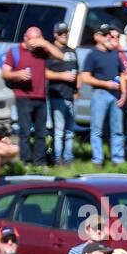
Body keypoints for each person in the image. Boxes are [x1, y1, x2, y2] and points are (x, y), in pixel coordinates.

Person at [0, 27, 62, 168]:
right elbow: (5, 73)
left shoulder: (42, 50)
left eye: (38, 39)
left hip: (40, 97)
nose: (36, 43)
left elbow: (60, 56)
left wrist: (45, 43)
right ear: (26, 38)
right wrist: (17, 74)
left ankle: (40, 162)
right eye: (34, 40)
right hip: (23, 96)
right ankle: (26, 161)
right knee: (25, 131)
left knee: (41, 132)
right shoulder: (14, 51)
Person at [78, 25, 126, 166]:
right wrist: (105, 84)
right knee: (96, 129)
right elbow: (85, 77)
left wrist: (123, 93)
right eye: (105, 35)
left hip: (116, 95)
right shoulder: (92, 54)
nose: (108, 38)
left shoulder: (115, 53)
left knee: (117, 129)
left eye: (109, 35)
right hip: (100, 94)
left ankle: (118, 159)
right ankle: (98, 160)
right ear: (97, 37)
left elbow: (122, 74)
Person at [45, 22, 78, 165]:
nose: (64, 35)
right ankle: (58, 158)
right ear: (55, 35)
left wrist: (78, 89)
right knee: (58, 131)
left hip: (71, 95)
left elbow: (78, 71)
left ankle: (68, 158)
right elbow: (44, 72)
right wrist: (62, 76)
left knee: (70, 131)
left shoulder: (72, 51)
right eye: (61, 33)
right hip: (57, 95)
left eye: (66, 33)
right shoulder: (50, 52)